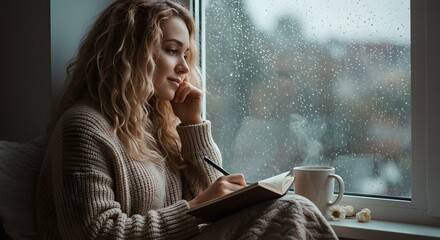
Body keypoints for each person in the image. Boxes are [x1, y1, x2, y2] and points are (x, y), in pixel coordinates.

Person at [36, 0, 246, 239]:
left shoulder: (160, 127)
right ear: (133, 52)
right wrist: (194, 210)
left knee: (289, 206)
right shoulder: (83, 127)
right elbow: (95, 232)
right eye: (171, 50)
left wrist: (192, 124)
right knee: (290, 210)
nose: (184, 67)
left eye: (186, 54)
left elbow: (217, 203)